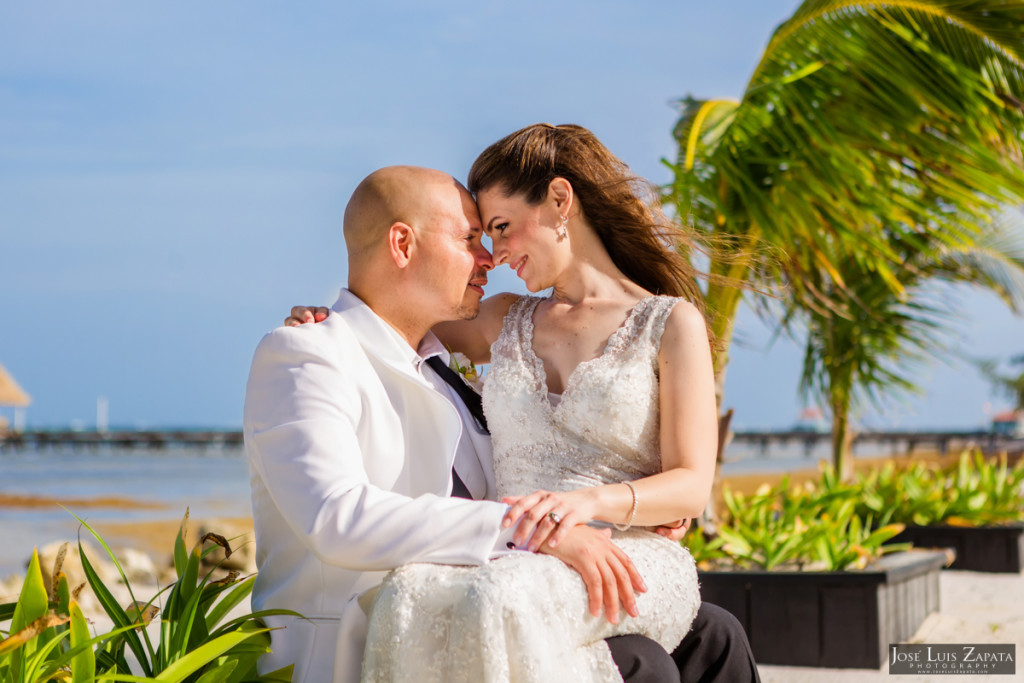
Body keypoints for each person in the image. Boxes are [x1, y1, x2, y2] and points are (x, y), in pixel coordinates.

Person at [288, 124, 760, 682]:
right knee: (421, 593)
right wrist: (327, 324)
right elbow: (390, 316)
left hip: (623, 558)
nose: (496, 253)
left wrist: (591, 504)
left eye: (503, 228)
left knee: (500, 601)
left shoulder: (669, 322)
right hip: (514, 554)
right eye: (485, 236)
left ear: (561, 200)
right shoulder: (502, 319)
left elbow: (691, 484)